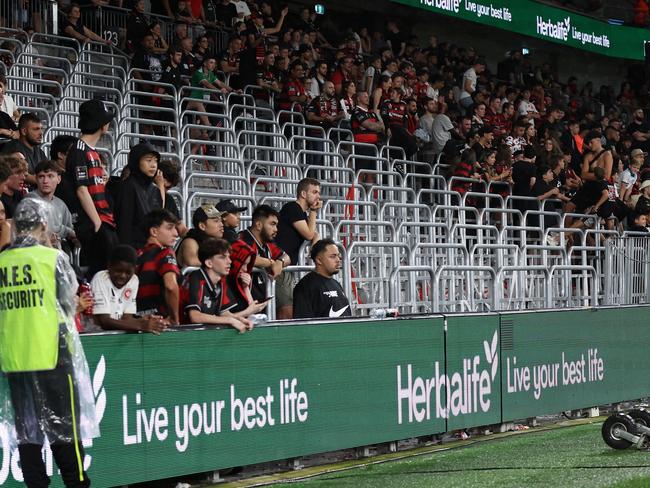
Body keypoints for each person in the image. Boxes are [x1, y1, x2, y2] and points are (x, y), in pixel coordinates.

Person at [0, 198, 98, 488]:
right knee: (65, 430)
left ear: (16, 226)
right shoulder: (51, 258)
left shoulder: (2, 261)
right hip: (52, 354)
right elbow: (67, 305)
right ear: (44, 226)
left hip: (15, 358)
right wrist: (77, 305)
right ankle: (77, 484)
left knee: (28, 432)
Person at [63, 99, 118, 277]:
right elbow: (81, 190)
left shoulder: (90, 150)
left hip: (102, 219)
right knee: (102, 273)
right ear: (101, 124)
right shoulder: (79, 151)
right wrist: (97, 222)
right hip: (93, 221)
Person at [180, 238, 268, 331]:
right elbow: (195, 317)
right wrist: (231, 320)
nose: (229, 261)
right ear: (209, 263)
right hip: (179, 334)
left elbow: (224, 314)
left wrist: (241, 320)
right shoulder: (196, 279)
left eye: (229, 257)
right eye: (222, 257)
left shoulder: (221, 282)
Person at [91, 244, 168, 334]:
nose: (123, 276)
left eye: (128, 272)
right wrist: (141, 326)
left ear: (135, 270)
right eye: (118, 271)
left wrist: (145, 321)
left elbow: (127, 319)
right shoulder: (101, 278)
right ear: (109, 266)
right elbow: (104, 322)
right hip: (95, 334)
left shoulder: (134, 280)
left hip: (116, 334)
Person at [275, 178, 322, 319]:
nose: (318, 196)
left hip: (288, 266)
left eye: (319, 193)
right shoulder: (292, 208)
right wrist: (313, 211)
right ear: (303, 193)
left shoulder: (300, 213)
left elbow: (314, 234)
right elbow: (308, 234)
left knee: (289, 308)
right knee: (286, 309)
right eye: (314, 192)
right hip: (280, 264)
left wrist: (313, 251)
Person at [230, 204, 289, 308]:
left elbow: (287, 256)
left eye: (276, 225)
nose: (276, 229)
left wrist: (280, 262)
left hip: (261, 302)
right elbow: (246, 257)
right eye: (272, 224)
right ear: (258, 225)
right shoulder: (243, 239)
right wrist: (271, 262)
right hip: (241, 303)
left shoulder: (268, 244)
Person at [114, 142, 164, 249]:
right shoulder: (128, 187)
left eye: (156, 161)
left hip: (151, 250)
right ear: (136, 162)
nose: (154, 165)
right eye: (148, 160)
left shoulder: (155, 190)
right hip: (133, 251)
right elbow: (124, 226)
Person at [136, 209, 180, 324]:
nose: (176, 233)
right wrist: (174, 318)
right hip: (161, 322)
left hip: (139, 322)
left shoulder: (136, 255)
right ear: (154, 231)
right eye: (169, 228)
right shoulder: (165, 252)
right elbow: (171, 286)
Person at [293, 238, 351, 319]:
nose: (338, 260)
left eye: (338, 256)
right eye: (333, 256)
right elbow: (303, 324)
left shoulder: (336, 283)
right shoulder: (306, 286)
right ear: (319, 260)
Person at [26, 160, 76, 249]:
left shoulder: (60, 204)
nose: (45, 181)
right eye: (41, 177)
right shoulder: (30, 200)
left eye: (50, 176)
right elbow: (47, 228)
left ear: (58, 179)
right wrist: (67, 231)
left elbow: (72, 228)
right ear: (36, 179)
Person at [0, 113, 46, 186]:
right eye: (36, 129)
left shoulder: (39, 151)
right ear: (24, 131)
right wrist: (46, 182)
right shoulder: (13, 147)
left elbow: (49, 171)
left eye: (41, 129)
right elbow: (22, 174)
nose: (41, 133)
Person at [176, 204, 226, 268]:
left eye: (221, 221)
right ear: (202, 226)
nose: (221, 225)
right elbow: (192, 262)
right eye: (216, 221)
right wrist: (217, 265)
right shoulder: (191, 241)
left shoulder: (215, 242)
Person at [0, 153, 26, 218]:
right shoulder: (1, 199)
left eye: (23, 173)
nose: (23, 177)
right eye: (18, 173)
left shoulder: (19, 195)